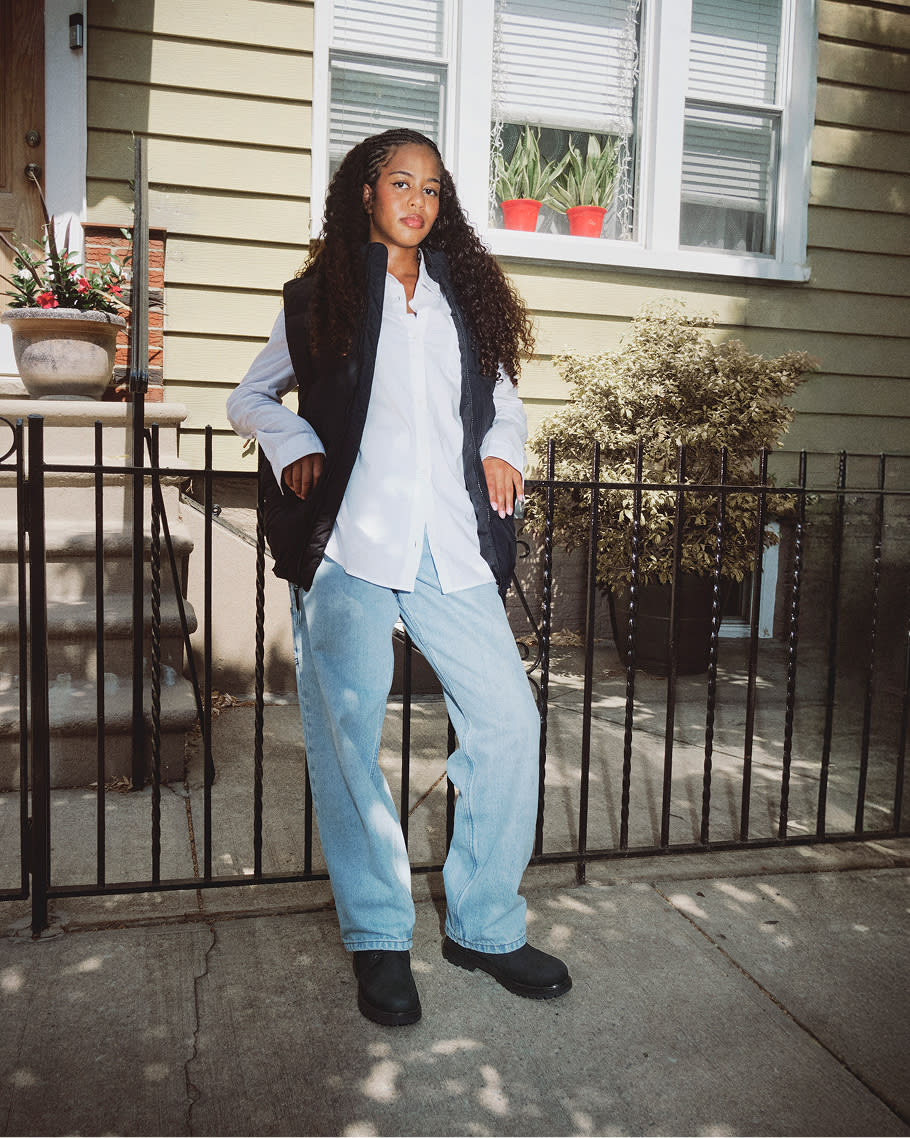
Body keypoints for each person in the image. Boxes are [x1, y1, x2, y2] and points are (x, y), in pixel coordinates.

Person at [226, 128, 571, 1026]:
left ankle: (484, 925)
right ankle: (380, 935)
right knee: (349, 740)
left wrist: (503, 448)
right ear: (366, 195)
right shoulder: (318, 299)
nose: (417, 200)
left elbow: (499, 399)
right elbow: (252, 395)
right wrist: (294, 442)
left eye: (431, 186)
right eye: (399, 183)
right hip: (352, 544)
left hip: (447, 542)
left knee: (506, 719)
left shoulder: (465, 297)